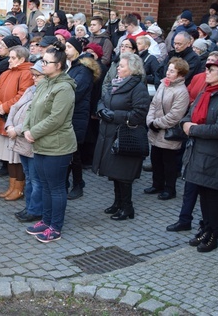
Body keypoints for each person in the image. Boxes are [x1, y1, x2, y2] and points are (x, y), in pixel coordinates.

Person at [180, 58, 218, 253]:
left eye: (211, 70)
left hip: (215, 154)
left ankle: (214, 232)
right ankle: (205, 226)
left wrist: (193, 129)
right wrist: (187, 124)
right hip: (198, 150)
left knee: (213, 194)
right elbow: (190, 113)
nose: (206, 72)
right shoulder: (205, 92)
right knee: (202, 193)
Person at [23, 46, 77, 243]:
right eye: (42, 61)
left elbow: (56, 119)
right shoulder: (44, 82)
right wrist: (26, 128)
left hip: (58, 145)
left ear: (59, 65)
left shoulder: (64, 88)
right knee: (45, 184)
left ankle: (55, 226)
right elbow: (31, 107)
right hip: (40, 142)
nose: (42, 65)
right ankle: (45, 220)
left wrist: (33, 132)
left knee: (55, 187)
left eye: (47, 62)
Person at [93, 52, 151, 221]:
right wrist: (101, 109)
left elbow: (140, 113)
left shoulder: (138, 87)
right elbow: (103, 99)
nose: (118, 68)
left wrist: (115, 115)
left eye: (122, 66)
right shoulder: (114, 83)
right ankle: (117, 203)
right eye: (118, 65)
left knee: (123, 174)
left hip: (124, 135)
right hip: (109, 133)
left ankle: (127, 207)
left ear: (132, 69)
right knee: (114, 172)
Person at [0, 46, 34, 200]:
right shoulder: (5, 73)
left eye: (12, 57)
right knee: (8, 156)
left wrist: (5, 106)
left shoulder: (27, 73)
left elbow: (23, 95)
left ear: (22, 59)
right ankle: (11, 187)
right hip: (4, 120)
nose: (8, 60)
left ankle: (19, 188)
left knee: (17, 158)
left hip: (16, 121)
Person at [145, 57, 190, 200]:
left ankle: (170, 189)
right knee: (156, 159)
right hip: (156, 129)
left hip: (168, 132)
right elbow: (153, 104)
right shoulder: (163, 84)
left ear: (180, 74)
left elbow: (175, 115)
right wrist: (150, 120)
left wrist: (156, 123)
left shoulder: (182, 92)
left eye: (172, 71)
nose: (168, 73)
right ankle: (157, 184)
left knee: (169, 163)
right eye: (168, 69)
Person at [5, 62, 43, 222]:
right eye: (33, 75)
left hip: (30, 141)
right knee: (28, 176)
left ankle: (35, 209)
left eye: (37, 75)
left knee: (35, 179)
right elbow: (15, 107)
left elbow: (35, 117)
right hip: (21, 141)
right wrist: (9, 124)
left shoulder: (44, 94)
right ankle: (29, 207)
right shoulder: (30, 90)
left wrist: (16, 129)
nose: (33, 78)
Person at [64, 38, 101, 200]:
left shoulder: (83, 70)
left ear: (78, 50)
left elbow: (76, 91)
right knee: (68, 151)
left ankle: (78, 183)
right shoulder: (71, 67)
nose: (66, 49)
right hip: (69, 114)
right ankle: (65, 182)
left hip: (77, 115)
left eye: (69, 47)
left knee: (74, 152)